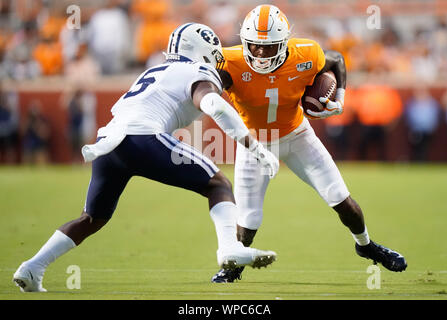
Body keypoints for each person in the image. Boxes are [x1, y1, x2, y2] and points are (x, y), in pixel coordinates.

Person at [13, 23, 279, 292]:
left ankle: (33, 267)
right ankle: (229, 249)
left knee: (91, 219)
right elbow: (214, 105)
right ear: (202, 50)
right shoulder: (196, 70)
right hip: (142, 137)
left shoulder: (155, 70)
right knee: (217, 183)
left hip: (109, 144)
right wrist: (254, 147)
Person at [211, 5, 407, 283]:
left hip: (298, 135)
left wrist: (339, 97)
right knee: (249, 218)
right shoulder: (229, 61)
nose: (261, 53)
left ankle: (366, 246)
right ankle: (235, 267)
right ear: (245, 41)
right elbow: (207, 88)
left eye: (270, 47)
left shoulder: (306, 53)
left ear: (285, 43)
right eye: (255, 46)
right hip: (254, 143)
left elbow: (336, 59)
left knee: (341, 199)